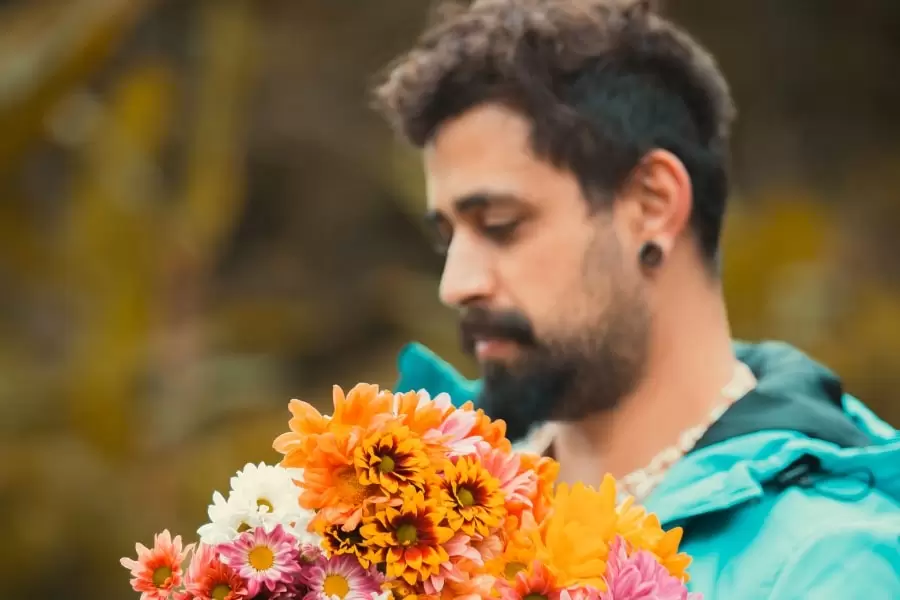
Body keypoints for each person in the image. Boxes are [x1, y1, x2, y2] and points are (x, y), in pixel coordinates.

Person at [373, 0, 900, 598]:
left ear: (652, 205)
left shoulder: (830, 562)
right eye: (447, 236)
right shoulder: (396, 508)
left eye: (499, 224)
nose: (456, 283)